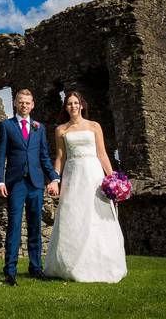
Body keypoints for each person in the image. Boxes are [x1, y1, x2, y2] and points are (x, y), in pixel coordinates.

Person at [44, 90, 127, 282]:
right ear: (66, 107)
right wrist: (55, 180)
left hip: (93, 174)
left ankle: (102, 263)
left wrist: (113, 178)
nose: (72, 106)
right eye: (69, 104)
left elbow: (102, 153)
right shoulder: (61, 130)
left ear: (81, 105)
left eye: (75, 103)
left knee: (96, 215)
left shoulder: (94, 126)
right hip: (73, 175)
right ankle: (69, 265)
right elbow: (60, 157)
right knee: (73, 214)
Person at [0, 88, 60, 286]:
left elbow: (44, 157)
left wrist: (54, 178)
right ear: (15, 103)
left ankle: (35, 267)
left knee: (35, 226)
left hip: (36, 183)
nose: (24, 105)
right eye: (21, 102)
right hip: (15, 184)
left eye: (28, 102)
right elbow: (1, 156)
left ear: (33, 105)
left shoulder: (39, 128)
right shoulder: (6, 126)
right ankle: (10, 271)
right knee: (14, 226)